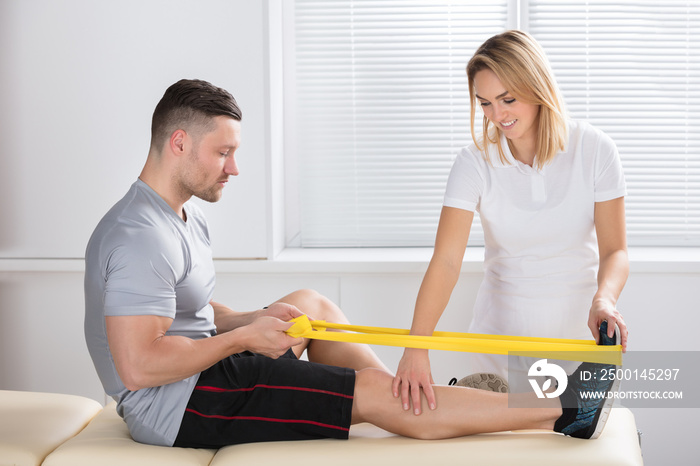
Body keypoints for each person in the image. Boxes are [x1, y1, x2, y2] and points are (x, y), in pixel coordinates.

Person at [84, 78, 619, 449]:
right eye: (223, 153)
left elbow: (191, 313)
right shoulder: (138, 237)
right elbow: (140, 366)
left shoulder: (180, 215)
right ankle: (565, 410)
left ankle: (410, 403)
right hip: (180, 407)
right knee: (376, 394)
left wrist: (248, 321)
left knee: (309, 303)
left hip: (201, 371)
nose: (235, 168)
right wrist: (244, 341)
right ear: (179, 143)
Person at [393, 30, 629, 414]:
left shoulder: (595, 150)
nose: (497, 115)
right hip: (498, 340)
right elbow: (446, 261)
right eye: (484, 103)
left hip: (575, 340)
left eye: (508, 99)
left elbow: (615, 250)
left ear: (537, 88)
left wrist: (605, 299)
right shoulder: (473, 163)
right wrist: (416, 346)